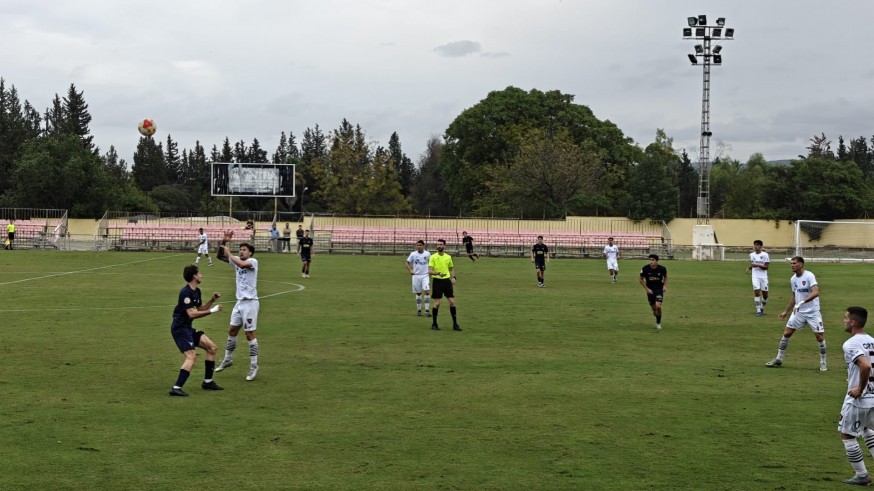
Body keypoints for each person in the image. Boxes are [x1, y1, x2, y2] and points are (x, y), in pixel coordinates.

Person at [168, 264, 224, 396]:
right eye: (199, 273)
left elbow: (199, 310)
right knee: (191, 356)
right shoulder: (185, 292)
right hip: (180, 329)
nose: (201, 275)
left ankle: (208, 381)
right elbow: (191, 314)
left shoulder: (196, 291)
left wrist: (212, 300)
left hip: (187, 328)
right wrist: (213, 311)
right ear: (194, 276)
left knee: (212, 348)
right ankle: (176, 387)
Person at [215, 231, 262, 381]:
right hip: (239, 302)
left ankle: (254, 366)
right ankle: (228, 359)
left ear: (250, 253)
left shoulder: (253, 262)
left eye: (244, 249)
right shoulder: (236, 260)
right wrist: (224, 241)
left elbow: (241, 264)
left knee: (249, 334)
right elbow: (219, 256)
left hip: (250, 303)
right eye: (240, 249)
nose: (241, 251)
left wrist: (229, 252)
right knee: (232, 330)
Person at [766, 256, 827, 371]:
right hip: (798, 312)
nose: (792, 265)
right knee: (787, 333)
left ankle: (823, 362)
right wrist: (786, 311)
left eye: (794, 263)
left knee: (819, 337)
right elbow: (794, 296)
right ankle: (779, 359)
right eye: (791, 264)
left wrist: (803, 301)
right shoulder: (793, 279)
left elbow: (816, 292)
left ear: (801, 264)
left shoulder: (809, 276)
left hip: (813, 312)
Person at [837, 306, 874, 486]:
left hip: (860, 399)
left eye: (845, 318)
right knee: (867, 429)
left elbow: (865, 366)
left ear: (853, 322)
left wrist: (859, 388)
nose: (843, 321)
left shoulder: (851, 343)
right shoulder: (872, 341)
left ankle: (862, 475)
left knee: (846, 434)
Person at [428, 239, 461, 331]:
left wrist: (454, 277)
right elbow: (430, 271)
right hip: (437, 281)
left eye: (441, 244)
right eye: (438, 244)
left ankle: (455, 324)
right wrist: (438, 273)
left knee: (452, 302)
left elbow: (451, 269)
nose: (439, 246)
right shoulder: (433, 257)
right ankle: (434, 324)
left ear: (444, 246)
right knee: (437, 303)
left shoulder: (448, 257)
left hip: (447, 281)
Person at [639, 253, 668, 331]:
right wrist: (647, 289)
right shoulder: (645, 268)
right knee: (654, 310)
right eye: (650, 260)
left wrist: (664, 286)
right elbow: (640, 279)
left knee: (658, 306)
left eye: (653, 260)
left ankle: (658, 323)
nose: (651, 261)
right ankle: (657, 317)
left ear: (657, 261)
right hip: (650, 291)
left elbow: (665, 276)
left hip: (659, 290)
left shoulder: (662, 268)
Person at [406, 240, 432, 316]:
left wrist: (430, 270)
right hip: (416, 276)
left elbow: (431, 263)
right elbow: (407, 263)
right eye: (417, 245)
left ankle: (427, 311)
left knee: (427, 291)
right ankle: (419, 310)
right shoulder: (413, 254)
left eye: (420, 245)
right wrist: (410, 270)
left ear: (423, 246)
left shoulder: (427, 254)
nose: (419, 247)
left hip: (425, 275)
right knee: (418, 293)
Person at [746, 239, 769, 316]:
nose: (756, 246)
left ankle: (762, 307)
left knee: (765, 295)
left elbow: (766, 267)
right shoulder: (751, 255)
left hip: (763, 277)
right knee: (756, 292)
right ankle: (758, 310)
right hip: (755, 276)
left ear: (761, 246)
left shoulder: (765, 255)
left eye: (758, 245)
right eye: (755, 245)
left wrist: (757, 265)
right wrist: (749, 268)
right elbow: (753, 264)